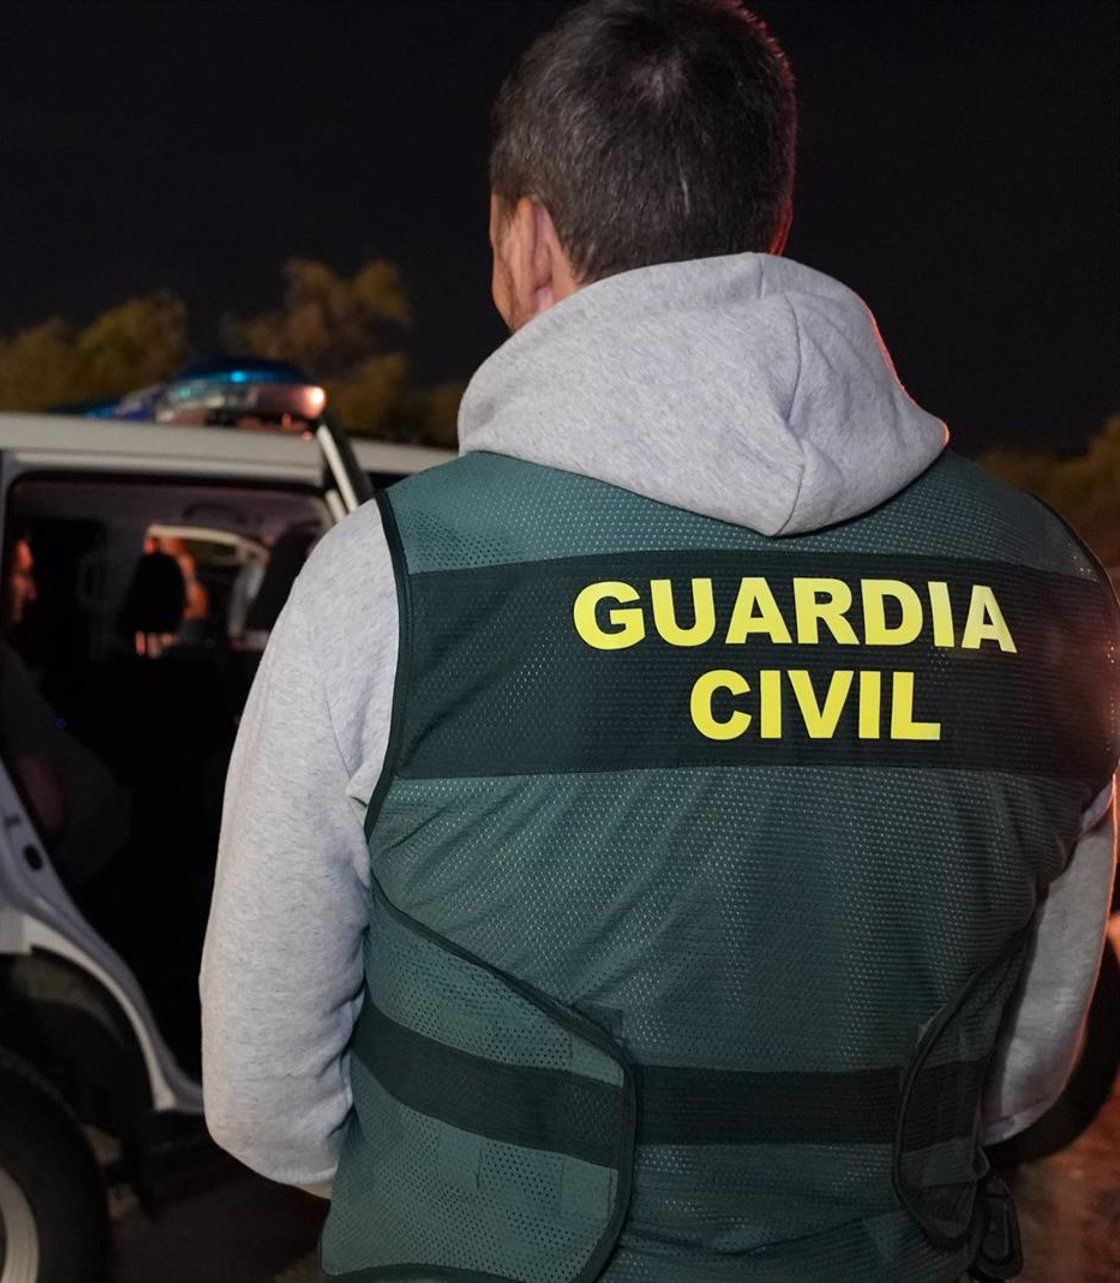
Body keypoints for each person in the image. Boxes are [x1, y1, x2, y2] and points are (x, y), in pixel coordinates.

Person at [199, 2, 1120, 1279]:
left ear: (530, 239)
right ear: (770, 221)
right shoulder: (1049, 585)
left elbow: (262, 1092)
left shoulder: (396, 579)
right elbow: (1025, 1069)